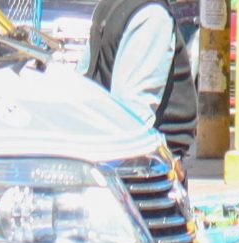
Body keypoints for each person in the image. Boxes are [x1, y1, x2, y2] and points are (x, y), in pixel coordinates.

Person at [84, 0, 197, 165]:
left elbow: (84, 79)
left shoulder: (109, 6)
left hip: (107, 150)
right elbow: (134, 112)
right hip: (140, 163)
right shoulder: (152, 14)